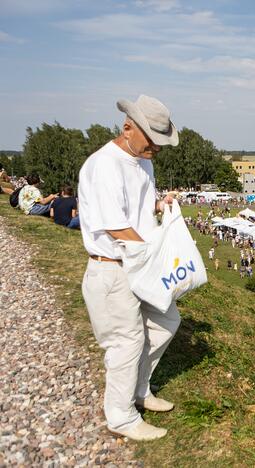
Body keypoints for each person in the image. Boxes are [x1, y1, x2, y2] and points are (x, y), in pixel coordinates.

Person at [78, 95, 180, 441]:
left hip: (137, 264)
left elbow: (136, 204)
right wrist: (154, 253)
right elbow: (115, 225)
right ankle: (120, 417)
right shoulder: (104, 165)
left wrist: (157, 203)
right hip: (112, 268)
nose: (158, 149)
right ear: (127, 128)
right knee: (126, 340)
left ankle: (139, 389)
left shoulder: (142, 160)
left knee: (167, 320)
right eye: (153, 141)